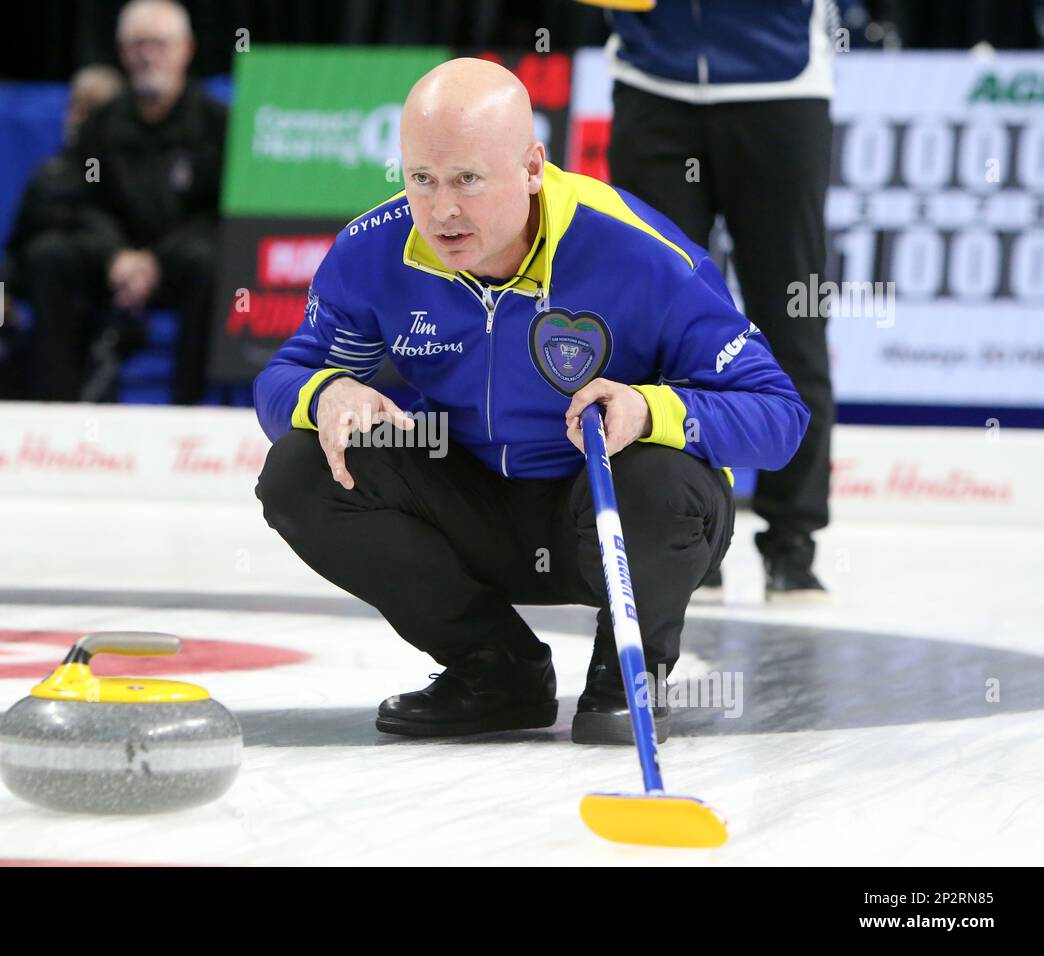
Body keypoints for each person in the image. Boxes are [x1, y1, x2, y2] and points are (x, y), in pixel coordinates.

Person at [251, 58, 809, 745]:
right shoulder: (374, 250)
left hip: (606, 509)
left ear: (533, 166)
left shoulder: (642, 253)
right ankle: (496, 669)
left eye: (467, 181)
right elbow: (282, 380)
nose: (442, 210)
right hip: (475, 505)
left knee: (660, 472)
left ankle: (627, 673)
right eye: (421, 180)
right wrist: (326, 391)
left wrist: (650, 409)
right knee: (300, 470)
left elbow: (780, 419)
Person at [595, 0, 837, 599]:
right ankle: (681, 533)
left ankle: (793, 541)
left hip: (780, 84)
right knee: (651, 325)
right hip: (652, 84)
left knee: (792, 316)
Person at [24, 0, 225, 403]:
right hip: (112, 263)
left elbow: (218, 211)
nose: (148, 55)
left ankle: (189, 412)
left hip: (179, 263)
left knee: (211, 263)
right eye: (137, 44)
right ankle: (54, 408)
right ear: (121, 53)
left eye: (160, 44)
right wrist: (115, 255)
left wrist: (156, 261)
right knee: (48, 255)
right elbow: (78, 203)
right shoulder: (100, 124)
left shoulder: (216, 123)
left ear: (186, 48)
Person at [0, 65, 125, 401]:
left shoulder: (124, 176)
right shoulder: (50, 174)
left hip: (107, 292)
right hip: (50, 296)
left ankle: (57, 402)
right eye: (74, 107)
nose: (77, 118)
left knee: (51, 256)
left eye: (92, 110)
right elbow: (15, 244)